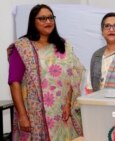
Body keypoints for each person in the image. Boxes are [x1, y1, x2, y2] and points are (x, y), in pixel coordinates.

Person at [7, 4, 85, 141]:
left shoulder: (64, 46)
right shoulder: (22, 47)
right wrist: (22, 115)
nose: (48, 21)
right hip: (34, 113)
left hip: (62, 114)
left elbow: (73, 75)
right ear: (33, 22)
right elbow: (14, 82)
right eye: (42, 18)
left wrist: (68, 103)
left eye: (50, 18)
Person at [85, 12, 115, 93]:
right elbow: (90, 87)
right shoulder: (97, 55)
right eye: (107, 26)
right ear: (102, 31)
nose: (111, 29)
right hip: (99, 103)